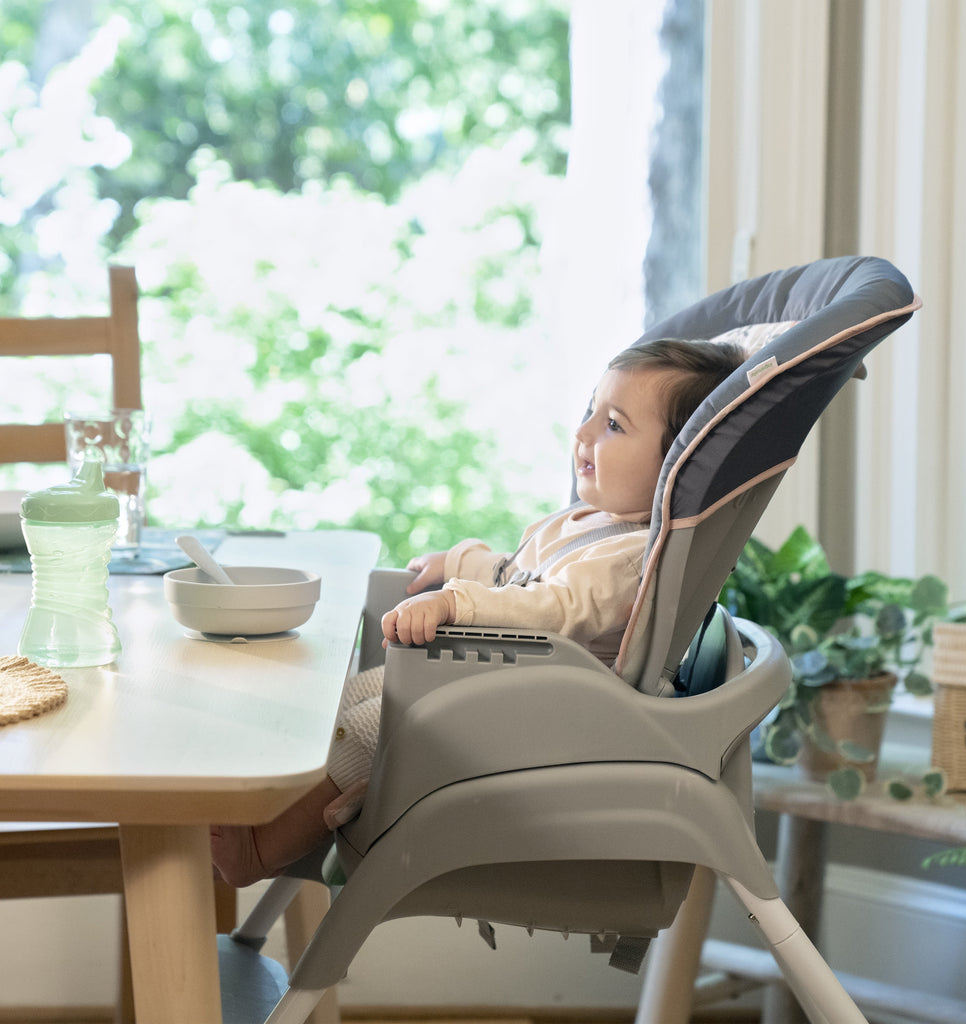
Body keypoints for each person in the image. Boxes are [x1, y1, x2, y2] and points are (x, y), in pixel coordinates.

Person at [210, 338, 746, 887]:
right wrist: (462, 561)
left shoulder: (628, 559)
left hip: (535, 724)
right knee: (346, 699)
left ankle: (260, 851)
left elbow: (552, 608)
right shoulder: (583, 522)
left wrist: (455, 602)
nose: (584, 434)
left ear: (680, 464)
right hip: (485, 688)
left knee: (374, 731)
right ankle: (244, 803)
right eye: (590, 411)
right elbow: (518, 574)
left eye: (613, 426)